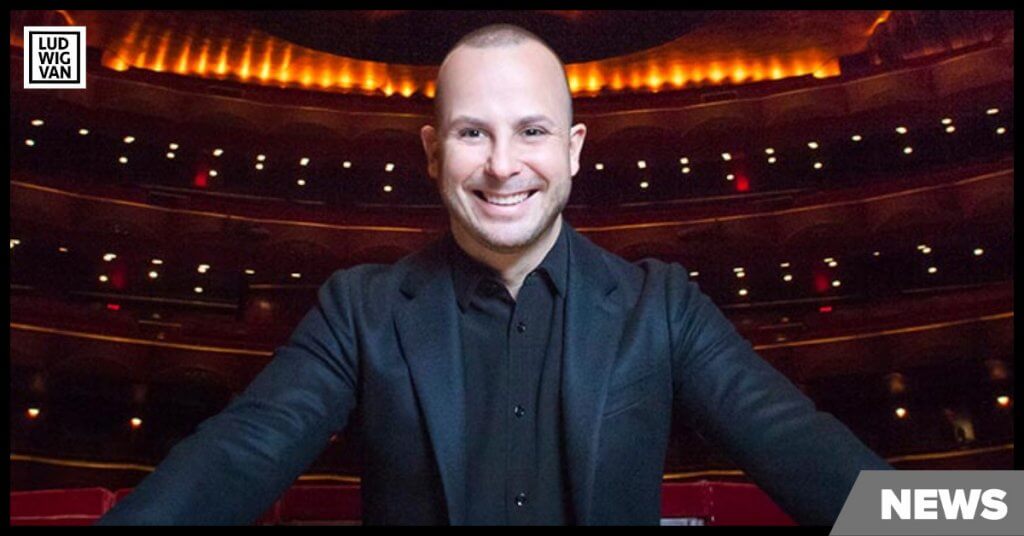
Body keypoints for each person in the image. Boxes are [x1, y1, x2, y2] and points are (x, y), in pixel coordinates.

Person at [97, 23, 891, 526]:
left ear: (573, 151)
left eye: (532, 131)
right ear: (432, 152)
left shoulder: (662, 306)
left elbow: (804, 450)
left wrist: (962, 519)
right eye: (472, 133)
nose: (503, 166)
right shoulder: (359, 310)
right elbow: (237, 455)